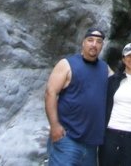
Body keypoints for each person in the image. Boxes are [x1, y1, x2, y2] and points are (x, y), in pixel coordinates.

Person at [45, 26, 112, 166]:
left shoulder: (105, 69)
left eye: (99, 41)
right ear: (83, 42)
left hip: (92, 144)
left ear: (102, 46)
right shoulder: (67, 64)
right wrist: (54, 125)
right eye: (90, 40)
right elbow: (50, 92)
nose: (94, 44)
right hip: (67, 140)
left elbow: (124, 81)